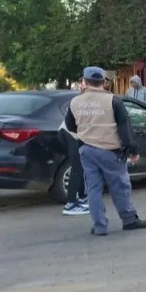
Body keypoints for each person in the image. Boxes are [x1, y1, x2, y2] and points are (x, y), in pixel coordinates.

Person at [65, 66, 146, 236]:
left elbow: (70, 125)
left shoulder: (75, 102)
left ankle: (99, 226)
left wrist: (86, 132)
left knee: (93, 189)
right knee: (120, 187)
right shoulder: (113, 101)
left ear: (85, 81)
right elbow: (125, 128)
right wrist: (133, 149)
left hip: (86, 150)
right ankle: (129, 220)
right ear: (104, 82)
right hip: (110, 150)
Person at [60, 77, 89, 215]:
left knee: (80, 167)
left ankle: (82, 197)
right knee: (77, 168)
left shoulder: (82, 99)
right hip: (71, 135)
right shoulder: (85, 101)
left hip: (69, 134)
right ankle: (70, 204)